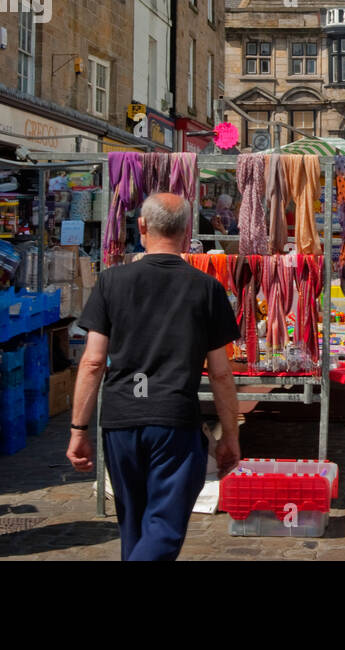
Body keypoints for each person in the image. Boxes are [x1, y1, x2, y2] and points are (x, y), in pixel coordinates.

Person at [68, 193, 242, 561]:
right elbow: (221, 373)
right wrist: (230, 434)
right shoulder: (206, 288)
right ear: (186, 231)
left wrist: (78, 430)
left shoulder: (111, 282)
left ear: (142, 227)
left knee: (133, 524)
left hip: (121, 420)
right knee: (163, 526)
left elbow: (93, 362)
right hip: (173, 420)